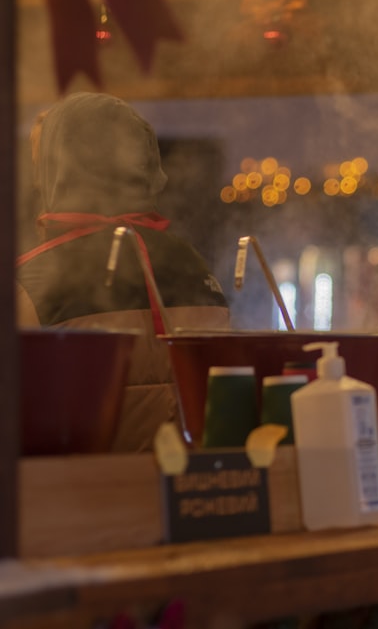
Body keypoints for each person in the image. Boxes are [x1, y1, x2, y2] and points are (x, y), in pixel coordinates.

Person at [16, 92, 230, 452]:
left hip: (84, 496)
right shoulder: (194, 265)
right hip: (184, 490)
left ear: (61, 168)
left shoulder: (30, 281)